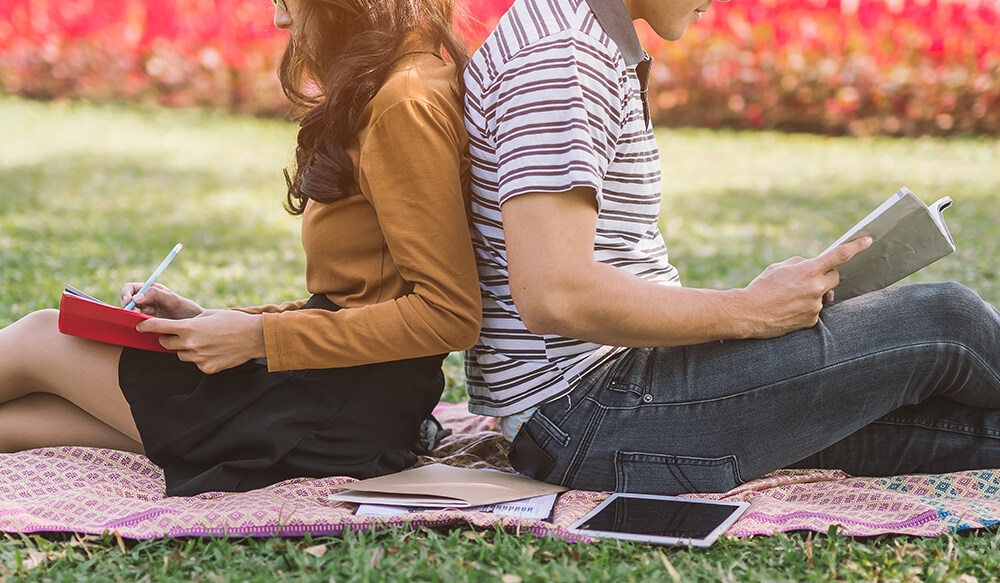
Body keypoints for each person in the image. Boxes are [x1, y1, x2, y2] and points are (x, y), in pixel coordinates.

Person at [463, 0, 1000, 495]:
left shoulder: (579, 38)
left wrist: (760, 306)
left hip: (603, 399)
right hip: (588, 410)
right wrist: (748, 311)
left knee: (954, 428)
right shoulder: (561, 60)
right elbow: (555, 295)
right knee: (948, 321)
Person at [0, 0, 480, 497]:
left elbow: (448, 314)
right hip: (338, 397)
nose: (280, 20)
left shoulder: (402, 102)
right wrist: (211, 319)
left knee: (40, 338)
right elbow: (365, 298)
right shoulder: (396, 83)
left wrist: (257, 337)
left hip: (336, 407)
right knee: (19, 423)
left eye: (286, 1)